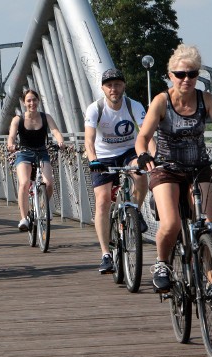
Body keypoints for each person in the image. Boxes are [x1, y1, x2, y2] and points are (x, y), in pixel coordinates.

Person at [135, 44, 212, 292]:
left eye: (193, 74)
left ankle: (211, 281)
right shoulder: (161, 101)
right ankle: (162, 263)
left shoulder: (205, 99)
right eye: (180, 74)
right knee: (172, 223)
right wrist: (143, 154)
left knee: (208, 222)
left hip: (198, 167)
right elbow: (142, 137)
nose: (187, 79)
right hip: (166, 168)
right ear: (170, 75)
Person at [84, 68, 150, 274]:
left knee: (140, 175)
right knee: (103, 200)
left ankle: (135, 211)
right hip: (103, 156)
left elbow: (147, 133)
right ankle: (105, 254)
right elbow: (89, 139)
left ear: (124, 86)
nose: (114, 89)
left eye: (118, 84)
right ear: (103, 88)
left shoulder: (134, 106)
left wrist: (150, 157)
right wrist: (93, 159)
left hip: (129, 151)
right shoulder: (95, 108)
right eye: (109, 85)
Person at [7, 89, 65, 231]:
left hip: (42, 152)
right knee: (24, 183)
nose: (32, 103)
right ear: (24, 102)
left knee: (49, 182)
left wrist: (60, 141)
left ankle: (43, 206)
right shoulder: (18, 119)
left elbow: (55, 131)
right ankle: (24, 218)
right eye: (29, 100)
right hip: (24, 153)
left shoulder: (46, 117)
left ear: (38, 101)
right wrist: (11, 145)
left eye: (34, 100)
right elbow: (11, 136)